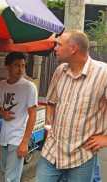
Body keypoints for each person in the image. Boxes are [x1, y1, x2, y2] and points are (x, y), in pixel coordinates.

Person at [35, 29, 107, 182]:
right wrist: (48, 116)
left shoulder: (103, 74)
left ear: (73, 48)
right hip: (52, 152)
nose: (55, 48)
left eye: (59, 44)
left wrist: (106, 138)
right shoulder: (60, 71)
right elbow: (52, 100)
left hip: (82, 157)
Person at [0, 52, 37, 182]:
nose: (21, 69)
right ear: (8, 67)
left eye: (23, 66)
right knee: (5, 172)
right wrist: (3, 112)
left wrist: (25, 141)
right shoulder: (1, 85)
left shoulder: (29, 87)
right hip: (4, 136)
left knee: (10, 178)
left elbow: (33, 115)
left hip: (18, 137)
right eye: (17, 66)